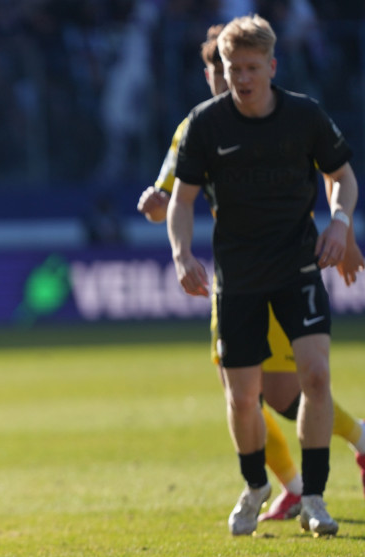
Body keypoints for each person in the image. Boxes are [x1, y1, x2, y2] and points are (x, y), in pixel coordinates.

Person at [138, 23, 365, 529]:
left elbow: (342, 177)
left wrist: (341, 227)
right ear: (215, 70)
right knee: (245, 397)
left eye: (249, 68)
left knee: (314, 377)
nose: (239, 78)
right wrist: (181, 254)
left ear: (271, 67)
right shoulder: (202, 125)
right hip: (237, 277)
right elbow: (178, 200)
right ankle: (258, 482)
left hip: (297, 266)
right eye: (230, 69)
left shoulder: (303, 115)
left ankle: (313, 496)